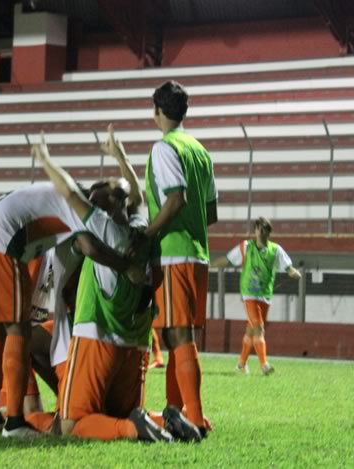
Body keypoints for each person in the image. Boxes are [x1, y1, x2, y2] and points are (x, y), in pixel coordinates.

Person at [32, 129, 201, 443]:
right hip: (135, 345)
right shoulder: (143, 229)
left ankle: (133, 430)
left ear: (103, 203)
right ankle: (164, 418)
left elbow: (69, 193)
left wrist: (45, 160)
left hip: (97, 338)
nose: (92, 193)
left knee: (72, 424)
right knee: (117, 412)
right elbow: (134, 194)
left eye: (100, 190)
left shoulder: (106, 230)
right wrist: (120, 155)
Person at [0, 173, 142, 438]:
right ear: (95, 193)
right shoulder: (76, 201)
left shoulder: (60, 195)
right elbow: (89, 246)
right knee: (17, 330)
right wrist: (127, 268)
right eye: (113, 198)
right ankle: (14, 423)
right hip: (1, 242)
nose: (111, 208)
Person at [138, 80, 218, 438]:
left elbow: (175, 199)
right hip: (198, 252)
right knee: (176, 335)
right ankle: (176, 412)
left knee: (179, 334)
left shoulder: (164, 148)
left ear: (157, 110)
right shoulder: (200, 150)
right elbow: (211, 211)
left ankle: (195, 417)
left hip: (173, 254)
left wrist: (147, 232)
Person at [210, 217, 301, 375]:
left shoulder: (275, 250)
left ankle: (241, 365)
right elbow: (229, 260)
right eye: (258, 228)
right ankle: (264, 364)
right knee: (259, 328)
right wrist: (210, 265)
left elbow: (288, 266)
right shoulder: (246, 247)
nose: (260, 231)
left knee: (251, 331)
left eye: (263, 228)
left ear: (268, 232)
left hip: (265, 295)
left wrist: (293, 272)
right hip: (249, 294)